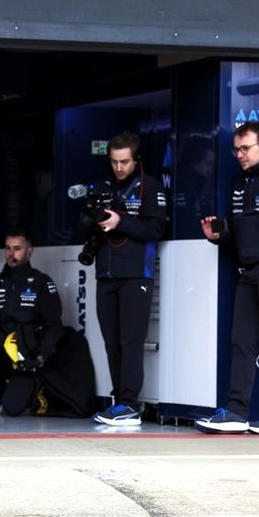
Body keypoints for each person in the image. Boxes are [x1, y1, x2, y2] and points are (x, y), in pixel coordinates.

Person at [197, 122, 259, 434]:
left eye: (245, 148)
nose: (240, 155)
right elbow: (240, 231)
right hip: (247, 271)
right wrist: (218, 236)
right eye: (236, 150)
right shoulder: (239, 183)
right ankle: (236, 412)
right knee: (241, 341)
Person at [89, 132, 167, 427]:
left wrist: (121, 221)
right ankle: (118, 401)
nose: (119, 167)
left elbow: (155, 229)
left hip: (136, 274)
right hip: (106, 273)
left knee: (131, 341)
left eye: (124, 162)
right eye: (114, 162)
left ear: (136, 160)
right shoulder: (103, 187)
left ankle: (130, 404)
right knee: (111, 342)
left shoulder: (151, 187)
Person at [0, 231, 64, 416]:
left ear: (29, 251)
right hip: (3, 349)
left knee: (13, 408)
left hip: (28, 356)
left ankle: (32, 387)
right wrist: (5, 342)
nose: (11, 254)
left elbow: (54, 326)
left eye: (17, 249)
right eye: (8, 248)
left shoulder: (42, 282)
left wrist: (40, 357)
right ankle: (0, 389)